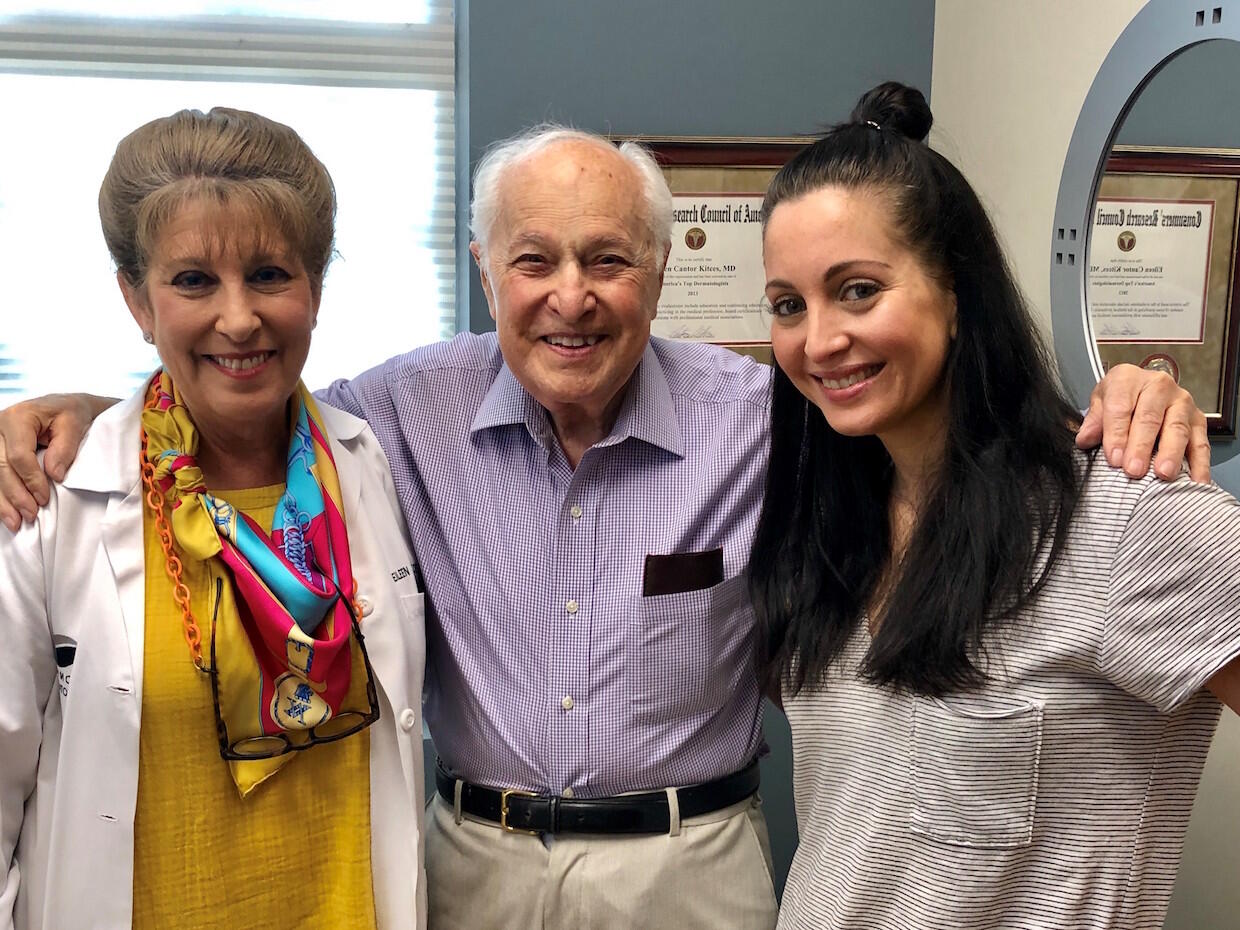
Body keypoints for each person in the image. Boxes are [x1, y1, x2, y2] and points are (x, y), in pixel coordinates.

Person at [0, 124, 1211, 930]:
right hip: (475, 867)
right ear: (485, 269)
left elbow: (967, 429)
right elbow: (239, 393)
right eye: (533, 258)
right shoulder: (389, 421)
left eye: (607, 260)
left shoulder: (777, 417)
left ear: (662, 272)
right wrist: (85, 413)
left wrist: (1122, 400)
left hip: (694, 871)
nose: (569, 296)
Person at [750, 82, 1240, 930]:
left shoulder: (1125, 522)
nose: (818, 340)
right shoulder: (829, 529)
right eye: (789, 305)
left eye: (859, 289)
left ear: (956, 290)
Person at [0, 108, 427, 930]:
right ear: (137, 299)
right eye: (193, 281)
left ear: (316, 289)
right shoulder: (52, 499)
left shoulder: (374, 466)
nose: (238, 319)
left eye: (270, 274)